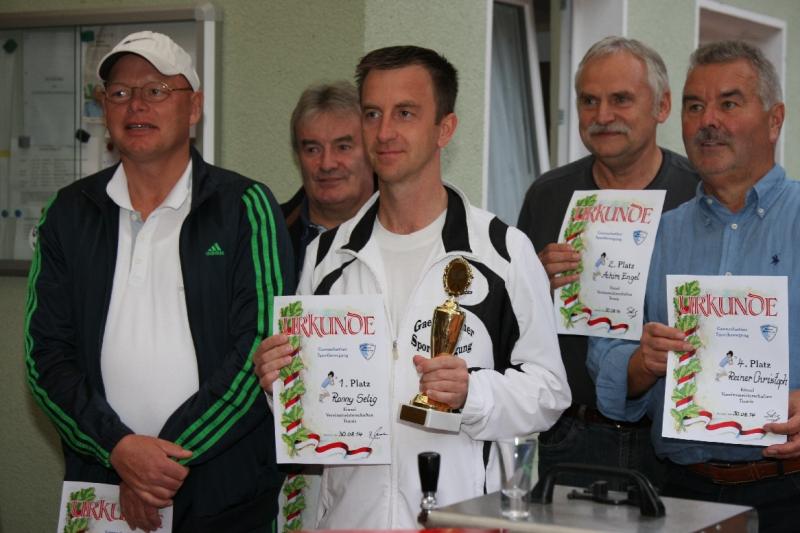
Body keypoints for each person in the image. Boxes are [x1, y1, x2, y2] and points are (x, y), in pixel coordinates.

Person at [254, 45, 570, 529]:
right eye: (372, 114)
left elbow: (549, 393)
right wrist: (281, 384)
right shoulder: (328, 256)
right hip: (349, 520)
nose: (384, 132)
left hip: (458, 522)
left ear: (445, 128)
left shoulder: (502, 251)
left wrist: (472, 393)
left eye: (405, 113)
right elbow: (314, 406)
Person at [24, 31, 293, 533]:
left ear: (194, 108)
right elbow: (45, 357)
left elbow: (259, 347)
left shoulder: (244, 207)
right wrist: (119, 449)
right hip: (103, 489)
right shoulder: (68, 213)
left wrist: (157, 466)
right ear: (105, 109)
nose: (136, 105)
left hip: (223, 496)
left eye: (156, 90)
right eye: (119, 92)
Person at [588, 41, 800, 532]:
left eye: (729, 103)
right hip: (680, 492)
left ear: (774, 120)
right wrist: (641, 363)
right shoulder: (655, 234)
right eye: (694, 106)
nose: (708, 121)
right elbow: (605, 353)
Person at [516, 36, 699, 489]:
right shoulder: (548, 195)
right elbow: (512, 327)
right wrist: (532, 284)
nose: (602, 116)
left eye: (621, 99)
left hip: (672, 441)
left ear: (662, 106)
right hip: (571, 433)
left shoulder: (698, 193)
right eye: (589, 101)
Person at [281, 81, 375, 276]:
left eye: (343, 147)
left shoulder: (406, 230)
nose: (327, 164)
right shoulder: (267, 234)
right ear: (298, 156)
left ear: (372, 150)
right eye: (313, 150)